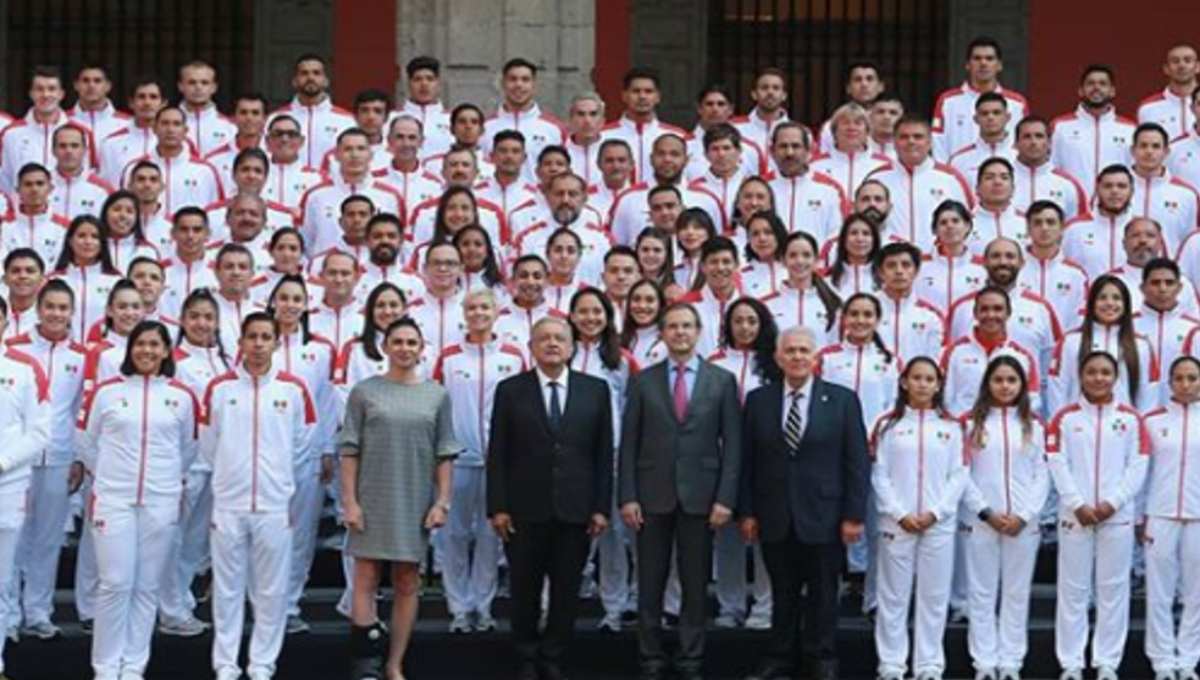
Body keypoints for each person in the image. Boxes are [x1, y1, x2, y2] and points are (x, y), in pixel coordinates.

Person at [619, 301, 743, 680]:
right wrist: (628, 495)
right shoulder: (643, 380)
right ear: (662, 333)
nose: (680, 332)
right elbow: (629, 443)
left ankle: (691, 658)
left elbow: (733, 445)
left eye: (687, 326)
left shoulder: (721, 381)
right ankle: (650, 656)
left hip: (701, 497)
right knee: (650, 582)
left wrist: (725, 498)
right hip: (651, 495)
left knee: (694, 582)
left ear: (698, 331)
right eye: (672, 326)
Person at [488, 315, 613, 680]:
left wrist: (601, 507)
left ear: (572, 346)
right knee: (524, 589)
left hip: (576, 509)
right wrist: (498, 506)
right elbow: (499, 452)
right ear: (531, 347)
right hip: (524, 509)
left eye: (560, 338)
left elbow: (603, 454)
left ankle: (554, 655)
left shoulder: (595, 390)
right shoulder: (511, 390)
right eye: (544, 338)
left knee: (566, 589)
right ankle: (527, 655)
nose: (552, 343)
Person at [740, 325, 868, 680]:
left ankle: (822, 658)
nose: (797, 356)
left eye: (803, 351)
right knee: (782, 592)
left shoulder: (842, 400)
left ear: (816, 358)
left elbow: (856, 462)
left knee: (824, 593)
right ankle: (780, 657)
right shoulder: (758, 400)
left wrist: (854, 515)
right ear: (778, 357)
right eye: (790, 350)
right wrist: (747, 511)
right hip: (775, 513)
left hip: (825, 515)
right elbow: (747, 461)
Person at [78, 320, 199, 680]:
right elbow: (87, 442)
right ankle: (105, 668)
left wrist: (165, 481)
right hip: (114, 500)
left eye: (154, 344)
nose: (147, 350)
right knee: (114, 582)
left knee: (147, 586)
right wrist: (110, 478)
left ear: (166, 351)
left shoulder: (181, 396)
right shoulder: (107, 393)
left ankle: (133, 667)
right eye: (140, 343)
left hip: (161, 501)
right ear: (130, 349)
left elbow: (189, 448)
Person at [201, 312, 316, 680]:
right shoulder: (220, 389)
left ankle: (262, 664)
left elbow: (302, 444)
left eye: (266, 337)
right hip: (229, 503)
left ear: (277, 343)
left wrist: (278, 481)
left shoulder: (293, 390)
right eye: (252, 336)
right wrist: (229, 477)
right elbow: (208, 444)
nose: (258, 344)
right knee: (227, 589)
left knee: (271, 590)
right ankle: (225, 664)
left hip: (273, 503)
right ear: (241, 342)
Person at [340, 317, 456, 680]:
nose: (404, 348)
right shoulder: (364, 392)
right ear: (385, 347)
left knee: (407, 580)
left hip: (413, 498)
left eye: (411, 342)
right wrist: (350, 502)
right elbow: (349, 450)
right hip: (371, 497)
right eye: (398, 342)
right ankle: (366, 664)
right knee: (365, 577)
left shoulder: (436, 395)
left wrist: (442, 501)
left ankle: (394, 664)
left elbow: (444, 452)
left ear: (421, 349)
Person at [1047, 350, 1150, 680]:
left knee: (1113, 589)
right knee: (1073, 589)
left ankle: (1107, 661)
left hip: (1115, 516)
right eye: (1091, 372)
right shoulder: (1065, 418)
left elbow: (1138, 465)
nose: (1098, 378)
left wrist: (1113, 503)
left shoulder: (1131, 419)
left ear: (1116, 377)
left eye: (1105, 372)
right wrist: (1076, 503)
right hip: (1074, 515)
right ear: (1081, 375)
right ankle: (1072, 662)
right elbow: (1057, 462)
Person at [432, 289, 525, 634]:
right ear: (464, 313)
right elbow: (436, 406)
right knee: (454, 534)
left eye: (485, 307)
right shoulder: (449, 357)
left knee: (490, 535)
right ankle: (458, 607)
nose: (478, 313)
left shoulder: (514, 356)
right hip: (458, 459)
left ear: (497, 312)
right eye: (472, 308)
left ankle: (483, 607)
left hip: (500, 462)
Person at [871, 357, 967, 680]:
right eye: (917, 378)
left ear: (938, 385)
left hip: (938, 524)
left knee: (934, 596)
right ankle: (891, 664)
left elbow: (959, 474)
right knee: (893, 596)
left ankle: (929, 665)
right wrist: (899, 513)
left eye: (929, 379)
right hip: (896, 523)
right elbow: (879, 474)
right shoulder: (887, 425)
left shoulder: (952, 427)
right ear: (904, 382)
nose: (923, 384)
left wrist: (935, 513)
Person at [7, 279, 87, 641]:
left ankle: (38, 611)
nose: (56, 313)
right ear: (38, 310)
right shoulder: (15, 349)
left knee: (48, 538)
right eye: (50, 306)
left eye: (63, 307)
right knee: (14, 537)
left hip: (58, 457)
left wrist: (77, 457)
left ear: (72, 312)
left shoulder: (81, 356)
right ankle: (8, 614)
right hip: (18, 460)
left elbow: (79, 411)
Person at [961, 356, 1049, 680]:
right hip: (981, 521)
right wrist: (985, 512)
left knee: (1016, 592)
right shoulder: (970, 423)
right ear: (987, 384)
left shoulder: (1035, 426)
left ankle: (1011, 661)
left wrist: (1024, 515)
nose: (1005, 386)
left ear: (1022, 386)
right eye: (998, 380)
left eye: (1012, 380)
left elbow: (1043, 474)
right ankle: (984, 662)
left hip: (1023, 524)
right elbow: (962, 473)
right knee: (981, 592)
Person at [815, 292, 901, 616]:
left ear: (877, 320)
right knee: (829, 525)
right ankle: (830, 591)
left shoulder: (890, 361)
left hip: (875, 453)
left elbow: (894, 408)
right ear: (843, 319)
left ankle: (874, 598)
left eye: (867, 315)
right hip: (832, 455)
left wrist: (875, 438)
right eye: (854, 314)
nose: (860, 321)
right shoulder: (827, 358)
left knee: (877, 526)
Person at [263, 275, 340, 634]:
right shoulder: (259, 342)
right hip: (265, 455)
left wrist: (326, 448)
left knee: (301, 534)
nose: (290, 305)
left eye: (297, 299)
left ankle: (289, 604)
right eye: (284, 298)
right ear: (272, 302)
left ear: (307, 304)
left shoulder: (320, 349)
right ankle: (263, 603)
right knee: (267, 533)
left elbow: (326, 402)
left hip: (307, 455)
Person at [565, 289, 640, 631]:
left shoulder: (621, 359)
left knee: (611, 536)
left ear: (608, 317)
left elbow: (632, 410)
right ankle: (558, 605)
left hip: (610, 458)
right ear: (571, 316)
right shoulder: (561, 352)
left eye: (597, 312)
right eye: (583, 311)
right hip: (568, 459)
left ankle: (614, 608)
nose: (590, 318)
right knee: (567, 536)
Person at [158, 289, 230, 637]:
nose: (202, 323)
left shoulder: (227, 360)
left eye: (208, 317)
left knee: (196, 541)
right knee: (174, 537)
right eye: (195, 316)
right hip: (186, 464)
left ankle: (180, 599)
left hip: (218, 464)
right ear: (183, 320)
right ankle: (169, 608)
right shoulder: (174, 361)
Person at [708, 297, 780, 632]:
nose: (745, 327)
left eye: (752, 320)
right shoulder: (715, 362)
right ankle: (730, 605)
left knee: (765, 534)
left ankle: (764, 606)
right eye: (738, 321)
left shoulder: (775, 363)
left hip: (764, 459)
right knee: (727, 536)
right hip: (722, 457)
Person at [0, 295, 49, 678]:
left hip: (8, 486)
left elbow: (39, 432)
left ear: (5, 321)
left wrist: (3, 462)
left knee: (1, 580)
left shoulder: (25, 367)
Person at [1142, 356, 1200, 680]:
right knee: (1159, 591)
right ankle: (1162, 661)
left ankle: (1189, 659)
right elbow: (1142, 472)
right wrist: (1140, 516)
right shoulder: (1152, 421)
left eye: (1192, 378)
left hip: (1198, 515)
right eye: (1179, 378)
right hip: (1160, 512)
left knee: (1196, 592)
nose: (1186, 384)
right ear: (1170, 382)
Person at [1048, 275, 1158, 415]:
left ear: (1126, 304)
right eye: (1102, 298)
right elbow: (1058, 388)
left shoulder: (1141, 346)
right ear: (1092, 302)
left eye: (1116, 298)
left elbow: (1148, 394)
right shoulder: (1071, 342)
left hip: (1123, 425)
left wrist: (1141, 425)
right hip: (1077, 425)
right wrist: (1059, 422)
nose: (1109, 303)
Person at [867, 116, 973, 250]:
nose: (911, 141)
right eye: (904, 137)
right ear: (894, 142)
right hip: (890, 258)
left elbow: (968, 223)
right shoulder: (877, 178)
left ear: (929, 142)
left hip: (936, 259)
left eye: (918, 137)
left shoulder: (951, 178)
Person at [931, 37, 1028, 161]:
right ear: (967, 65)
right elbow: (938, 141)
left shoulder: (1017, 103)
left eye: (989, 58)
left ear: (999, 65)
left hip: (1006, 171)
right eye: (977, 58)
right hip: (959, 170)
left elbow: (1025, 141)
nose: (983, 63)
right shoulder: (948, 101)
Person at [1051, 65, 1135, 200]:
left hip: (1116, 204)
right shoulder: (1060, 127)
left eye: (1103, 84)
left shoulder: (1129, 129)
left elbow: (1135, 171)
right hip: (1071, 203)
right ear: (1080, 91)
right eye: (1090, 83)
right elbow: (1051, 168)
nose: (1096, 87)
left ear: (1112, 91)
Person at [482, 58, 567, 181]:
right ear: (503, 84)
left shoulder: (555, 129)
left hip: (539, 193)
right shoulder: (484, 127)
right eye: (513, 79)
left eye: (525, 79)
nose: (519, 85)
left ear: (534, 85)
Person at [600, 68, 688, 184]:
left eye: (648, 91)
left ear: (658, 97)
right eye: (636, 91)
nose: (642, 96)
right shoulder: (603, 135)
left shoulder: (678, 135)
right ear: (624, 96)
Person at [765, 122, 848, 240]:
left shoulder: (831, 188)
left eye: (796, 146)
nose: (789, 153)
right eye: (783, 146)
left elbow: (837, 235)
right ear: (772, 151)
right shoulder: (761, 186)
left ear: (808, 150)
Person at [50, 214, 122, 343]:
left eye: (95, 237)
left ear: (102, 243)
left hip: (103, 351)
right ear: (70, 241)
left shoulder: (116, 282)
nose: (88, 242)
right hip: (63, 350)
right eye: (81, 236)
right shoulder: (53, 280)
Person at [762, 231, 842, 347]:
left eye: (806, 255)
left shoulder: (833, 304)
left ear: (816, 260)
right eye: (793, 255)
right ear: (783, 260)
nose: (799, 261)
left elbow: (835, 347)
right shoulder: (766, 305)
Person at [1017, 200, 1090, 326]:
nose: (1044, 228)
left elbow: (1082, 316)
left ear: (1062, 228)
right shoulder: (1015, 269)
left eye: (1050, 222)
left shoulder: (1076, 274)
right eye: (1037, 223)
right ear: (1028, 229)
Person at [1062, 164, 1135, 280]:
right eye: (1108, 186)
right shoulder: (1073, 229)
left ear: (1131, 191)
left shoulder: (1142, 229)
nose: (1114, 191)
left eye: (1121, 186)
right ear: (1097, 189)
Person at [1010, 116, 1089, 220]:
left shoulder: (1068, 184)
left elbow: (1079, 225)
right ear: (1015, 144)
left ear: (1049, 143)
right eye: (1027, 137)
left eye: (1039, 136)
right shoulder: (1001, 179)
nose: (1033, 142)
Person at [916, 200, 987, 311]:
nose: (949, 226)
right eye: (943, 222)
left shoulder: (984, 267)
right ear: (935, 230)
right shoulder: (918, 265)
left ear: (968, 226)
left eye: (955, 221)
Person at [810, 102, 891, 197]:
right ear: (834, 131)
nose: (851, 128)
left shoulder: (885, 165)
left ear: (867, 132)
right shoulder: (814, 164)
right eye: (845, 123)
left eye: (858, 123)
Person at [396, 56, 453, 159]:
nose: (424, 84)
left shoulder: (452, 120)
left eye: (430, 79)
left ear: (438, 84)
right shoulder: (392, 118)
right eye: (417, 79)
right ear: (409, 83)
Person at [1138, 44, 1200, 139]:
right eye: (1175, 61)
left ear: (1198, 67)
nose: (1181, 65)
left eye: (1187, 60)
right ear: (1166, 69)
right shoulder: (1148, 107)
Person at [823, 212, 882, 299]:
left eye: (866, 233)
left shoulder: (886, 281)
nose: (860, 239)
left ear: (875, 240)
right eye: (854, 233)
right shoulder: (827, 283)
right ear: (843, 239)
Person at [620, 279, 669, 368]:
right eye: (636, 299)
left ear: (660, 305)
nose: (642, 306)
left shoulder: (669, 342)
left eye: (650, 300)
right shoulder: (619, 340)